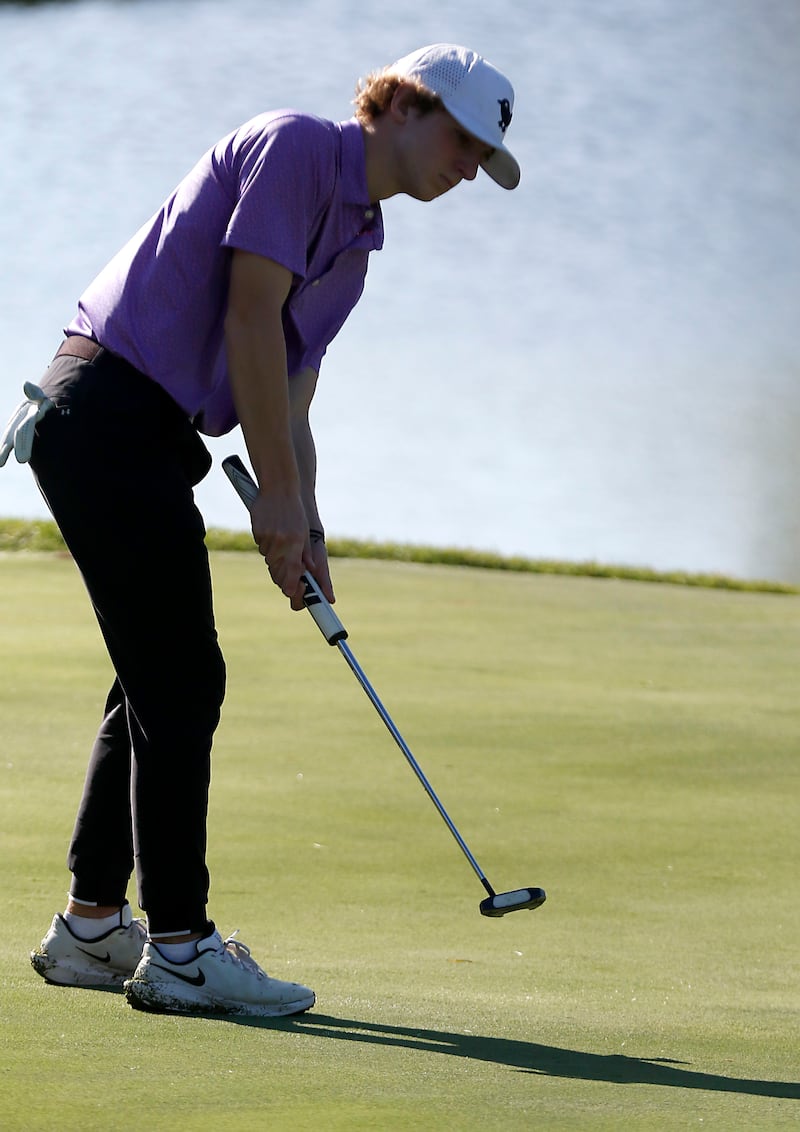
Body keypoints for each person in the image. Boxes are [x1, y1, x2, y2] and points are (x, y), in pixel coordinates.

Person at [0, 43, 520, 1017]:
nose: (468, 167)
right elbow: (247, 318)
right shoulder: (294, 149)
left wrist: (304, 521)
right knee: (182, 679)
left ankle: (92, 925)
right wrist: (270, 495)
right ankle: (181, 948)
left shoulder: (358, 244)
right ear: (403, 105)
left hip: (147, 435)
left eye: (482, 158)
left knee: (155, 676)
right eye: (463, 141)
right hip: (104, 410)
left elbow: (288, 390)